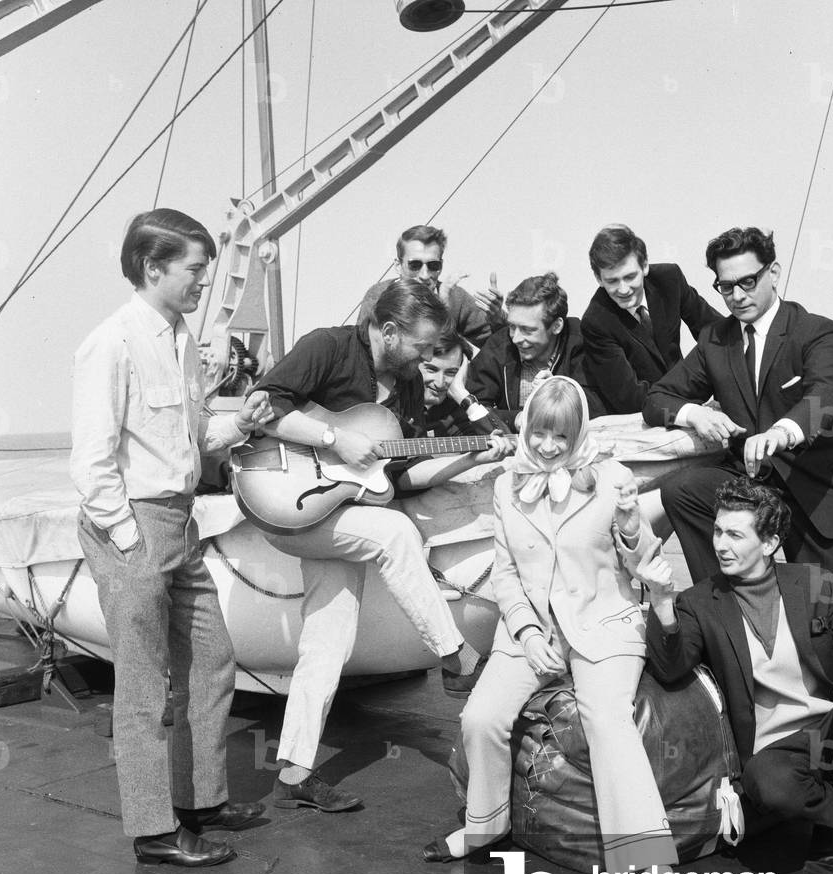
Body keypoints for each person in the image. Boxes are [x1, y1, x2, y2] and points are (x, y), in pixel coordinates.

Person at [254, 279, 511, 813]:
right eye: (418, 345)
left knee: (327, 640)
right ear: (388, 330)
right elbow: (263, 405)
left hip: (339, 513)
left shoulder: (407, 385)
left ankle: (294, 773)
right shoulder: (328, 347)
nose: (424, 356)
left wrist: (474, 457)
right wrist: (332, 438)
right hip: (285, 502)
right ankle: (456, 656)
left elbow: (403, 477)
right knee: (395, 532)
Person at [71, 208, 274, 867]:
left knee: (212, 656)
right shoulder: (114, 342)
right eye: (193, 270)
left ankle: (198, 801)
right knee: (141, 682)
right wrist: (130, 542)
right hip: (132, 525)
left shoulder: (180, 338)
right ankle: (155, 832)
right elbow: (92, 462)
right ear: (152, 268)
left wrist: (239, 422)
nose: (202, 283)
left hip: (178, 523)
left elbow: (186, 441)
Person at [422, 376, 681, 874]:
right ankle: (485, 828)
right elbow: (505, 573)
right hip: (531, 629)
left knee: (608, 722)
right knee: (479, 718)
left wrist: (631, 521)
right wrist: (526, 631)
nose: (547, 447)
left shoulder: (613, 479)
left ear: (578, 432)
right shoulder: (505, 486)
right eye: (540, 433)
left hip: (605, 623)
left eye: (561, 437)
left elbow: (644, 563)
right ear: (527, 430)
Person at [641, 478, 833, 874]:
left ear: (771, 542)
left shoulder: (816, 583)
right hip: (777, 752)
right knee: (769, 785)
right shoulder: (700, 602)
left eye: (735, 534)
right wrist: (663, 603)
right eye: (718, 531)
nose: (720, 543)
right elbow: (669, 668)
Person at [644, 227, 833, 608]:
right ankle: (729, 609)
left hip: (817, 493)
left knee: (823, 625)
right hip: (752, 488)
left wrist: (782, 433)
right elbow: (657, 398)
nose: (738, 295)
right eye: (726, 286)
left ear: (774, 273)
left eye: (748, 281)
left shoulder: (813, 330)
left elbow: (828, 394)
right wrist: (694, 412)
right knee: (683, 489)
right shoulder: (716, 339)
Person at [580, 224, 722, 415]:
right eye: (612, 281)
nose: (623, 289)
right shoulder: (595, 322)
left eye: (630, 277)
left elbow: (716, 332)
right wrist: (688, 409)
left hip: (687, 399)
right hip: (641, 417)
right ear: (598, 278)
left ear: (645, 266)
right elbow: (629, 398)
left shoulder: (669, 278)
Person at [465, 271, 604, 430]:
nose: (516, 338)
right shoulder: (500, 345)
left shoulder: (583, 342)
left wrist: (559, 391)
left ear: (557, 326)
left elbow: (601, 408)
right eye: (512, 326)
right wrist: (516, 419)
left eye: (527, 330)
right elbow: (472, 407)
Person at [357, 224, 503, 348]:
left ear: (441, 266)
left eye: (433, 265)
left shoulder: (455, 297)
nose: (425, 275)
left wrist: (498, 319)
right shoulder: (378, 295)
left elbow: (498, 347)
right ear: (398, 265)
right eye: (415, 265)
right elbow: (360, 348)